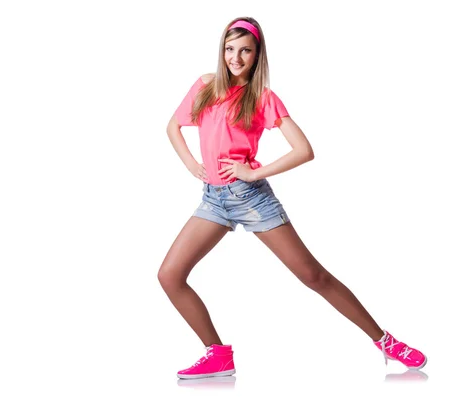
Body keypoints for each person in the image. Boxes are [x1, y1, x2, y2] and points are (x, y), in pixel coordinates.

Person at [158, 16, 427, 380]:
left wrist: (253, 172)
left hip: (251, 198)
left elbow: (304, 149)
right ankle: (218, 354)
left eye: (245, 51)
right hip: (214, 199)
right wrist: (192, 164)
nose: (235, 58)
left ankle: (386, 342)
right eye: (229, 49)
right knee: (170, 275)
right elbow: (174, 126)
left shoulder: (262, 98)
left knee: (313, 275)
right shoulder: (205, 85)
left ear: (257, 55)